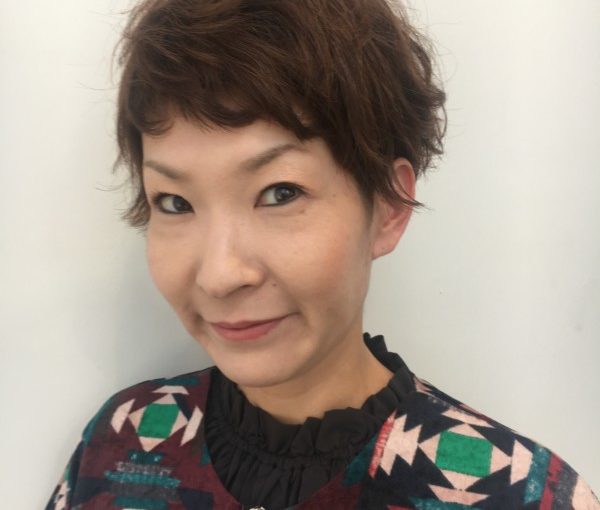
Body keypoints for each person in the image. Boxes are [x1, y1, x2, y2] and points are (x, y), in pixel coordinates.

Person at [46, 0, 599, 509]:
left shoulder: (516, 493)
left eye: (280, 193)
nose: (219, 275)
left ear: (388, 205)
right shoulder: (120, 440)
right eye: (174, 202)